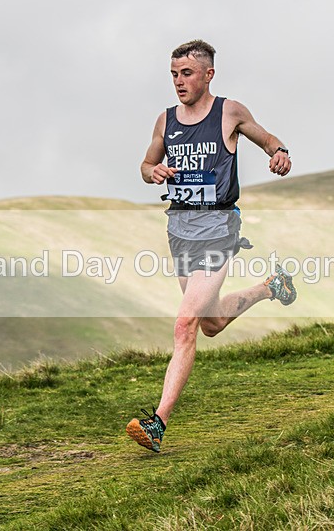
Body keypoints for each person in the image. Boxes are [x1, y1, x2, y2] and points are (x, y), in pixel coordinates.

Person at [126, 39, 297, 453]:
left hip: (219, 227)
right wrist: (154, 171)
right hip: (180, 229)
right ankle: (270, 287)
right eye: (173, 74)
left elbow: (267, 138)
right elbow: (146, 165)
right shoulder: (166, 120)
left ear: (208, 74)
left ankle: (157, 423)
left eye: (186, 73)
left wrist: (280, 152)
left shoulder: (229, 112)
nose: (178, 81)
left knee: (184, 324)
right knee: (210, 323)